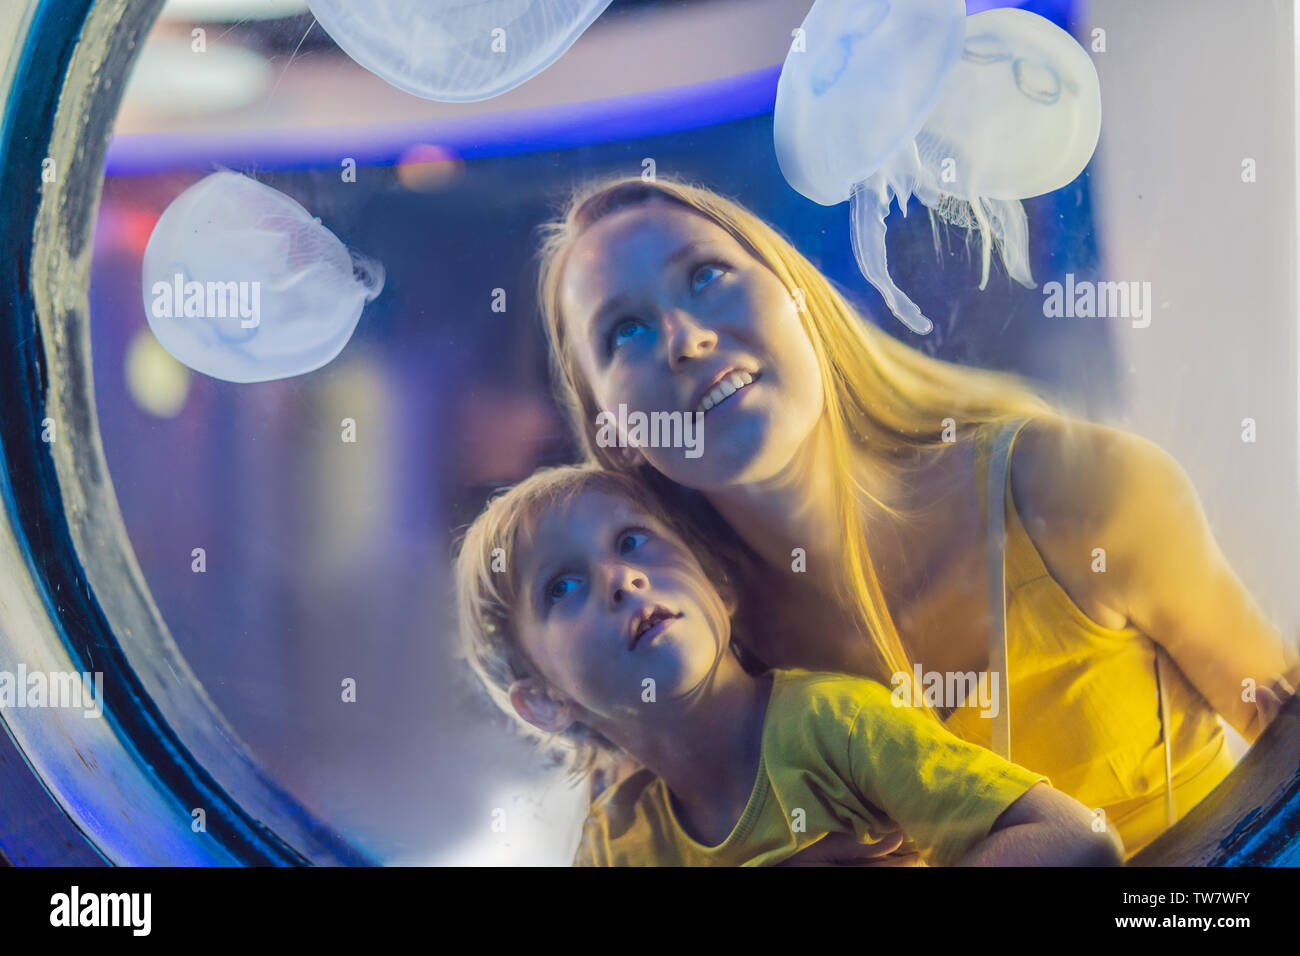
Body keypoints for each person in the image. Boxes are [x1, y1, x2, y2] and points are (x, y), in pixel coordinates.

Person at [532, 175, 1299, 858]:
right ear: (611, 433)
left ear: (799, 295)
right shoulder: (686, 678)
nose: (686, 339)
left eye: (706, 275)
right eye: (623, 330)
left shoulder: (1072, 486)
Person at [454, 462, 1124, 866]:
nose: (622, 579)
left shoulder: (828, 723)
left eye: (633, 541)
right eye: (561, 587)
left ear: (714, 584)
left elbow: (1075, 838)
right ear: (545, 701)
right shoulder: (616, 842)